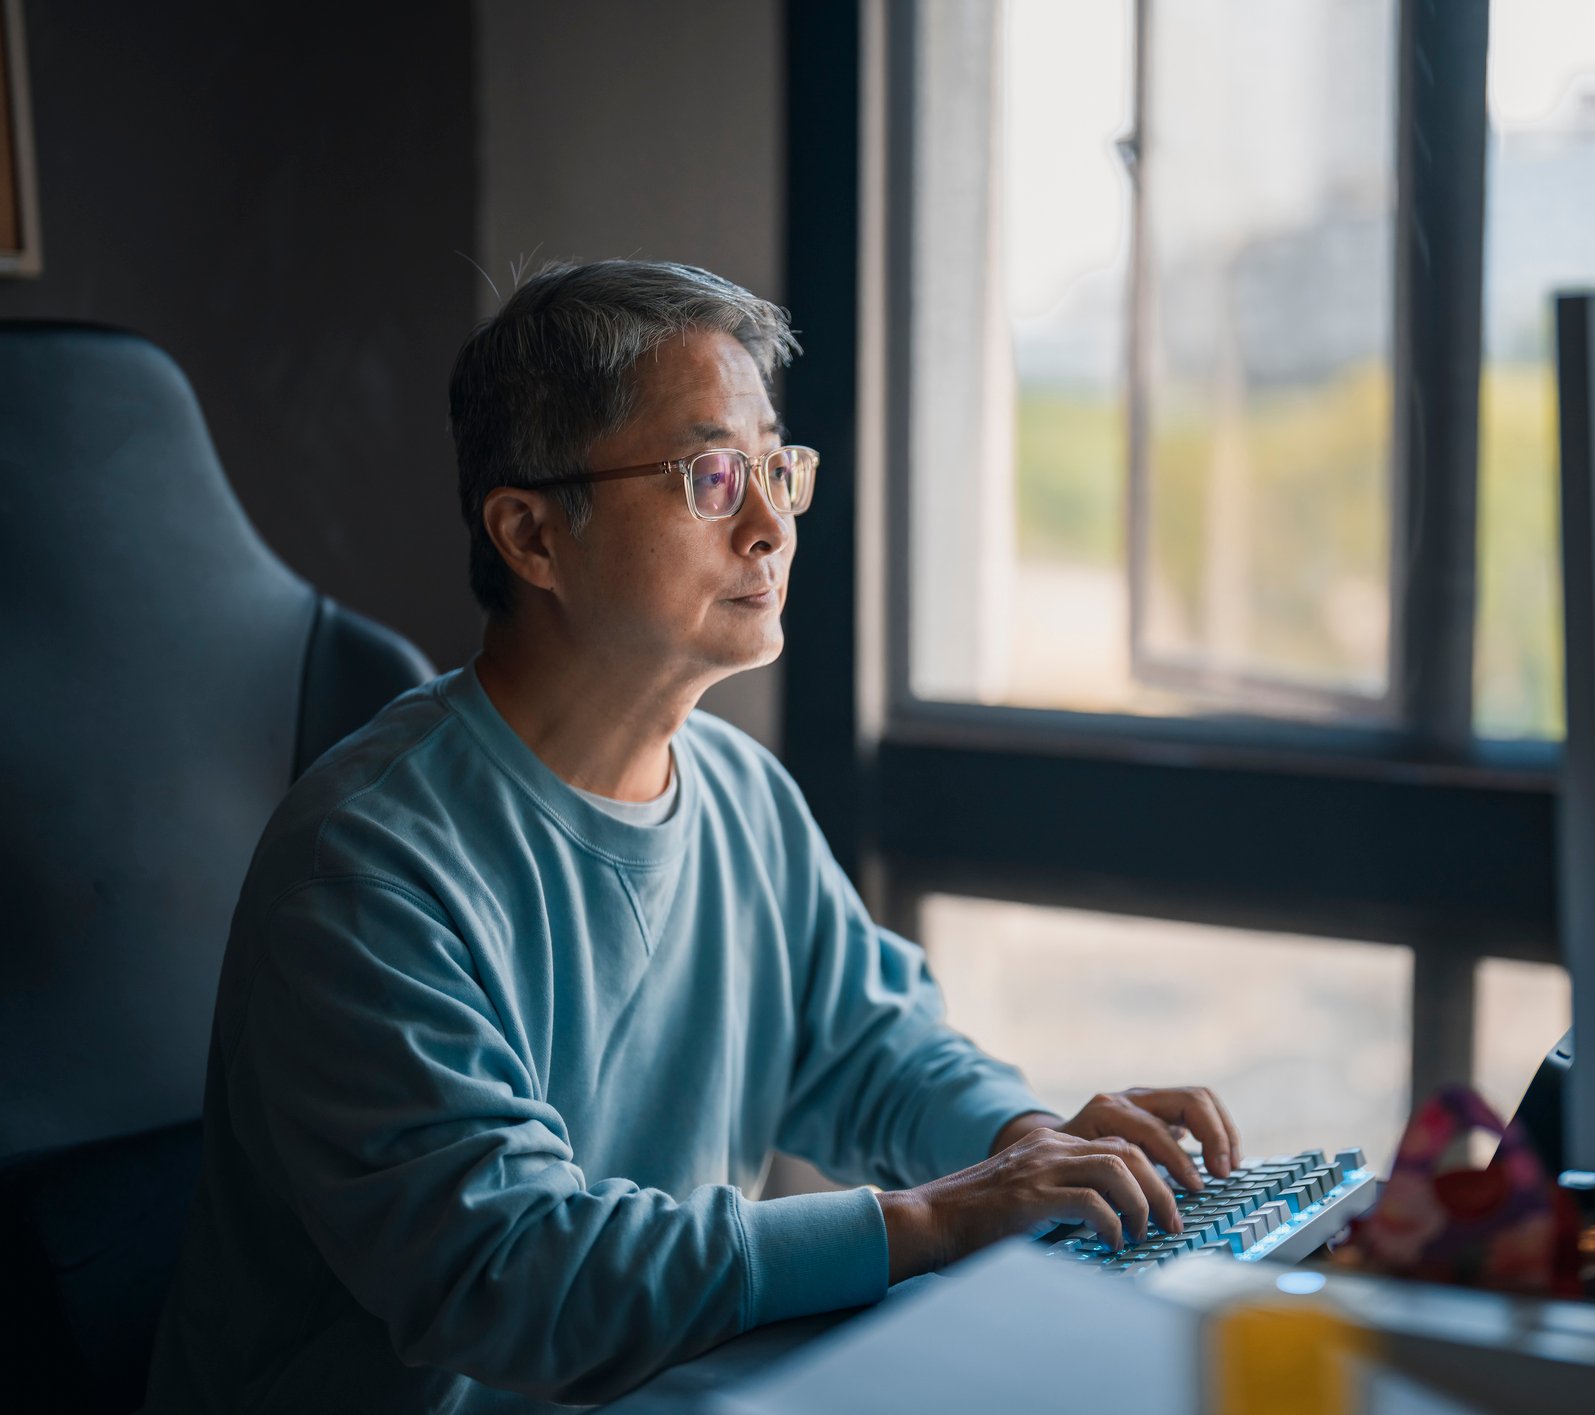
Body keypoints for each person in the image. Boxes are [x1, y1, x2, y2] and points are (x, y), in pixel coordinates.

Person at [146, 260, 1244, 1412]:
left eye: (776, 465)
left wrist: (1031, 1141)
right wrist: (936, 1214)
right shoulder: (368, 864)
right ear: (531, 534)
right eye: (711, 477)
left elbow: (875, 1051)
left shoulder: (739, 792)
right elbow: (519, 1273)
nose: (771, 525)